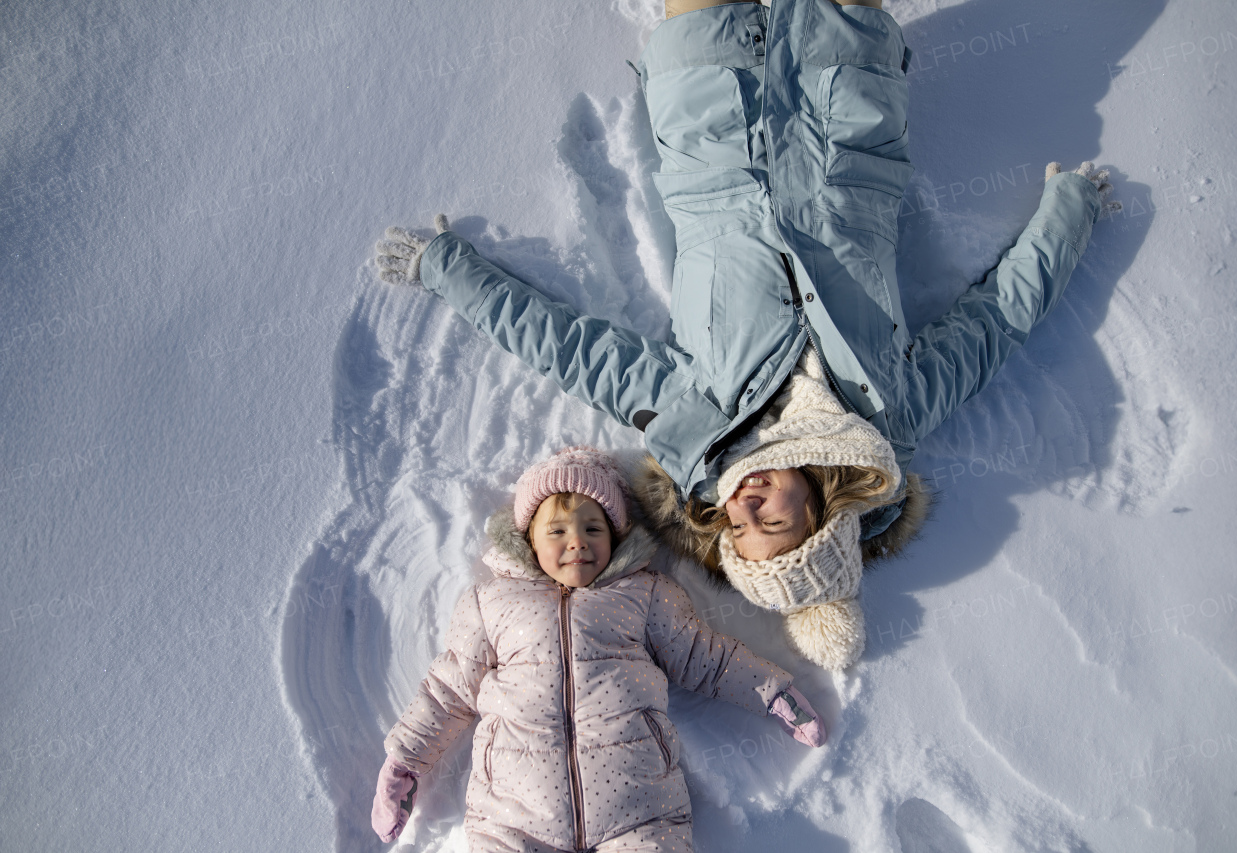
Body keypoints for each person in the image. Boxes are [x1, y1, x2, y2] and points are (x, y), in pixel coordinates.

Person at [372, 0, 1119, 670]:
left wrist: (448, 269)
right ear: (821, 519)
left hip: (710, 131)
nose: (746, 507)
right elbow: (998, 321)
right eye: (774, 524)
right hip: (847, 127)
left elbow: (567, 348)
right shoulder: (892, 417)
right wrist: (1071, 213)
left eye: (739, 529)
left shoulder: (691, 424)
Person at [371, 447, 826, 851]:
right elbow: (449, 689)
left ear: (615, 537)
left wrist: (772, 692)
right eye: (557, 531)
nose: (578, 542)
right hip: (513, 816)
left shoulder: (646, 594)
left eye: (593, 528)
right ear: (529, 540)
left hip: (639, 809)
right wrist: (403, 764)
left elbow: (705, 656)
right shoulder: (492, 602)